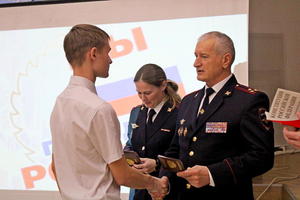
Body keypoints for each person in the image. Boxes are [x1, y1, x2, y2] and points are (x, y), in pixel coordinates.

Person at [50, 24, 168, 200]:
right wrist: (155, 184)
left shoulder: (60, 103)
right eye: (108, 52)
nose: (110, 60)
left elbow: (55, 167)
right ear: (93, 53)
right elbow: (123, 175)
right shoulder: (99, 109)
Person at [160, 31, 274, 200]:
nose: (196, 63)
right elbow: (177, 148)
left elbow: (262, 156)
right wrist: (164, 178)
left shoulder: (249, 100)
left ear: (225, 60)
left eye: (204, 57)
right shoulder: (188, 101)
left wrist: (212, 174)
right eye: (195, 56)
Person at [124, 63, 181, 200]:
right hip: (139, 190)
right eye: (139, 93)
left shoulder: (179, 112)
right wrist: (128, 157)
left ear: (163, 85)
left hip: (166, 190)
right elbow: (131, 143)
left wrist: (156, 164)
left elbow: (182, 154)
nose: (143, 98)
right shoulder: (136, 112)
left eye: (148, 93)